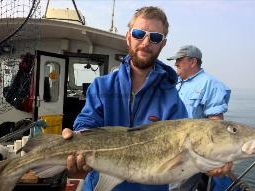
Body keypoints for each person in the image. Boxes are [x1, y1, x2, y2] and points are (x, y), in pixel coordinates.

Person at [62, 7, 231, 191]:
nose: (146, 42)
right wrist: (78, 141)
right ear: (128, 37)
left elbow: (184, 154)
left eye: (155, 37)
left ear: (163, 44)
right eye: (138, 34)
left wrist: (210, 162)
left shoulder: (172, 99)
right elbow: (87, 123)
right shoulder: (101, 86)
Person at [167, 45, 233, 191]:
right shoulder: (177, 83)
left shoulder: (211, 84)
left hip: (189, 153)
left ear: (193, 62)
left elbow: (217, 125)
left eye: (179, 60)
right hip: (169, 147)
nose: (175, 63)